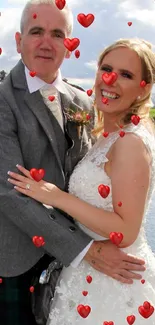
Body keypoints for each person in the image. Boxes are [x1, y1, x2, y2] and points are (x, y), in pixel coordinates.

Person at [0, 0, 145, 323]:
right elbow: (9, 194)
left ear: (68, 44)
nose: (46, 42)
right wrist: (88, 250)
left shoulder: (82, 100)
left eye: (57, 34)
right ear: (18, 40)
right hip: (19, 262)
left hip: (75, 266)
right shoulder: (3, 101)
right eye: (36, 31)